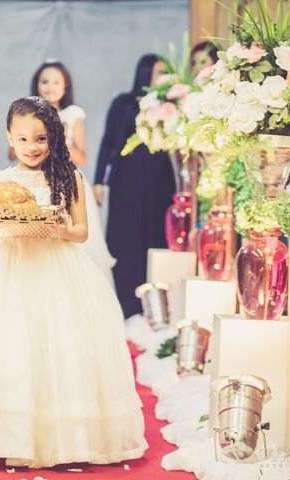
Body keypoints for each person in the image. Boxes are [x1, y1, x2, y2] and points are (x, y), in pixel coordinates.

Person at [0, 96, 147, 468]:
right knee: (11, 346)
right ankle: (5, 434)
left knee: (60, 345)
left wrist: (62, 227)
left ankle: (62, 437)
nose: (31, 147)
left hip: (57, 269)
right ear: (9, 137)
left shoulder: (71, 178)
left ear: (54, 138)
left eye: (41, 139)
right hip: (8, 270)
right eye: (22, 139)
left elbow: (82, 232)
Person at [93, 55, 175, 319]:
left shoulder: (170, 103)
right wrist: (99, 179)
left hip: (159, 178)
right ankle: (126, 305)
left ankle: (157, 306)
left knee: (155, 235)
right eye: (159, 71)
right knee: (125, 236)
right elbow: (108, 141)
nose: (164, 75)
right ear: (146, 73)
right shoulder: (123, 103)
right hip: (127, 177)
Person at [24, 61, 116, 286]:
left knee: (76, 244)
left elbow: (82, 157)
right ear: (37, 85)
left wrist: (60, 137)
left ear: (66, 87)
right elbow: (12, 152)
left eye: (56, 82)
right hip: (35, 181)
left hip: (68, 183)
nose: (50, 86)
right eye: (45, 81)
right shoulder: (26, 114)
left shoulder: (73, 115)